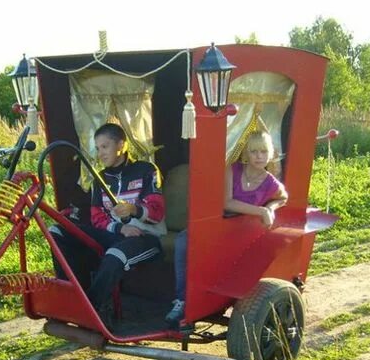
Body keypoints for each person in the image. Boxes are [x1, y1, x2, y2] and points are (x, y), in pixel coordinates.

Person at [165, 130, 287, 327]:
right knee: (183, 241)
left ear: (270, 153)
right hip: (219, 225)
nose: (259, 156)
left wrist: (270, 208)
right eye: (254, 151)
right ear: (246, 153)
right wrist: (260, 211)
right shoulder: (233, 169)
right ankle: (182, 300)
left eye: (263, 151)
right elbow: (227, 202)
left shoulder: (270, 182)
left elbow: (283, 197)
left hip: (242, 235)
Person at [52, 123, 166, 326]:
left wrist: (133, 210)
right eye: (97, 148)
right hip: (116, 234)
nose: (100, 153)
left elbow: (157, 211)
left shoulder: (147, 171)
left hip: (145, 237)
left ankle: (89, 312)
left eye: (105, 147)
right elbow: (97, 217)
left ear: (121, 145)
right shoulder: (100, 178)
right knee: (58, 231)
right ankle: (72, 296)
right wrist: (120, 228)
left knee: (115, 255)